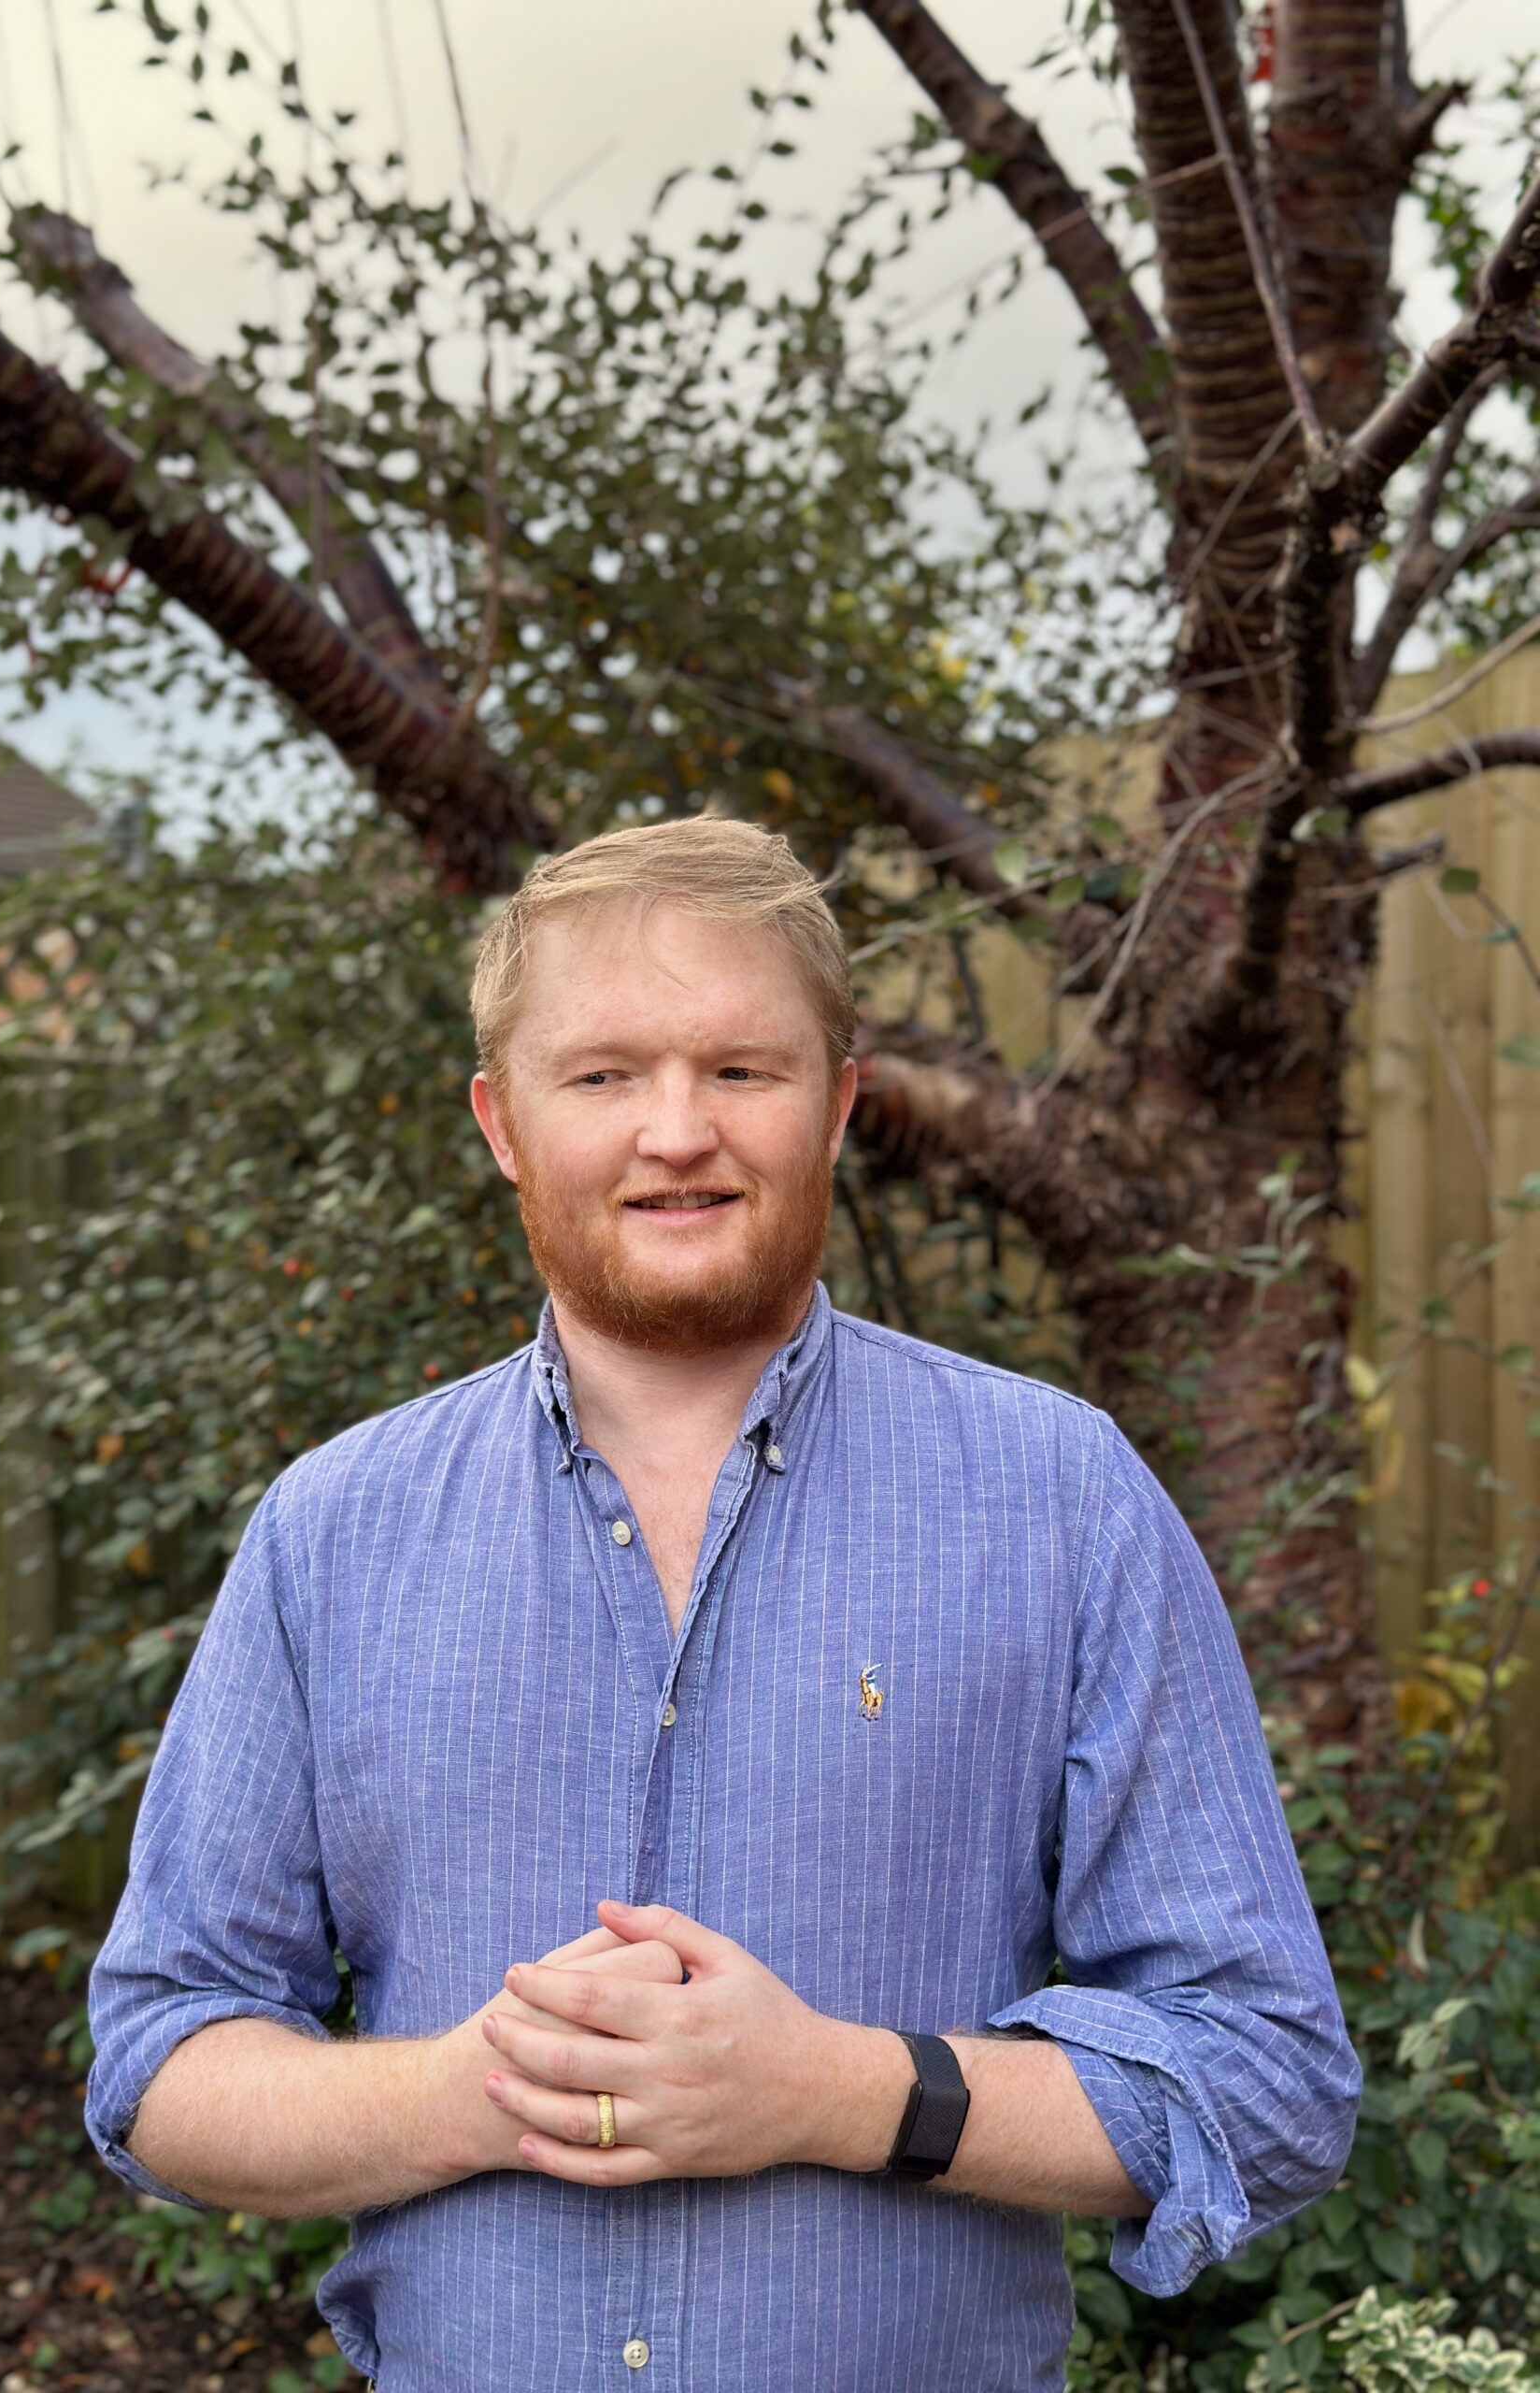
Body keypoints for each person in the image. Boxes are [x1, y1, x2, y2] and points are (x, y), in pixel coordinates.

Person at [84, 817, 1359, 2393]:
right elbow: (161, 2064)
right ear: (501, 1121)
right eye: (603, 1074)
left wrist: (838, 2094)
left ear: (839, 1105)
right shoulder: (332, 1536)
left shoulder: (1059, 1500)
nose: (675, 1131)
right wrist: (486, 2092)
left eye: (742, 1071)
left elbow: (1267, 2076)